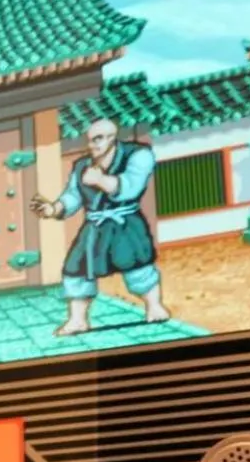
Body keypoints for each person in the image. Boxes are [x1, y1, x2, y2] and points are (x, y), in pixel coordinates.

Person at [30, 118, 171, 336]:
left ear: (112, 138)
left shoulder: (138, 155)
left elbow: (131, 186)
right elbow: (73, 196)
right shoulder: (82, 166)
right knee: (76, 268)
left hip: (125, 222)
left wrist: (100, 180)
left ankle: (154, 307)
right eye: (90, 140)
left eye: (98, 139)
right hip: (94, 226)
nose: (92, 145)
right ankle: (78, 320)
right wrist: (53, 208)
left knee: (138, 265)